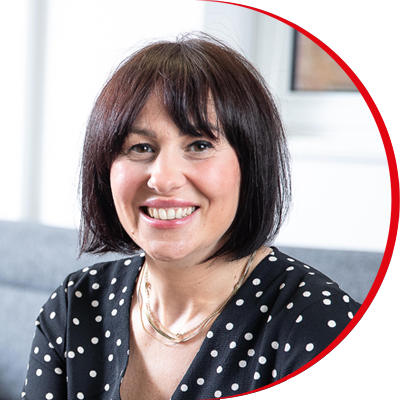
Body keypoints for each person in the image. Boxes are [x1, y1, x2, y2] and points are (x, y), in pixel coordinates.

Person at [22, 33, 360, 400]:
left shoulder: (319, 325)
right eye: (140, 147)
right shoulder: (77, 305)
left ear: (250, 163)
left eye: (199, 145)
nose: (163, 178)